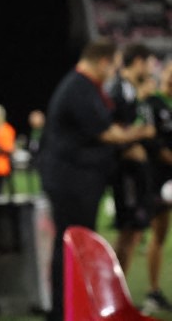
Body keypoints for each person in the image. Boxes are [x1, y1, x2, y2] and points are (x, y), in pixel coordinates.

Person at [38, 38, 155, 321]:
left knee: (75, 244)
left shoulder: (85, 86)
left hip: (78, 179)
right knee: (72, 244)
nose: (114, 73)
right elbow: (108, 133)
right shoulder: (79, 87)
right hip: (71, 181)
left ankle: (72, 306)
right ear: (103, 62)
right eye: (113, 66)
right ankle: (63, 310)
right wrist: (142, 133)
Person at [107, 42, 157, 276]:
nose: (151, 70)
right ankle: (112, 288)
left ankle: (119, 287)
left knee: (135, 232)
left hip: (137, 171)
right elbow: (111, 130)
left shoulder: (134, 91)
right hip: (125, 171)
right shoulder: (117, 90)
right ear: (138, 62)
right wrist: (134, 139)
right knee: (128, 231)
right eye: (149, 64)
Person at [143, 61, 172, 315]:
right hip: (160, 178)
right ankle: (153, 290)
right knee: (159, 233)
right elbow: (156, 144)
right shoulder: (153, 103)